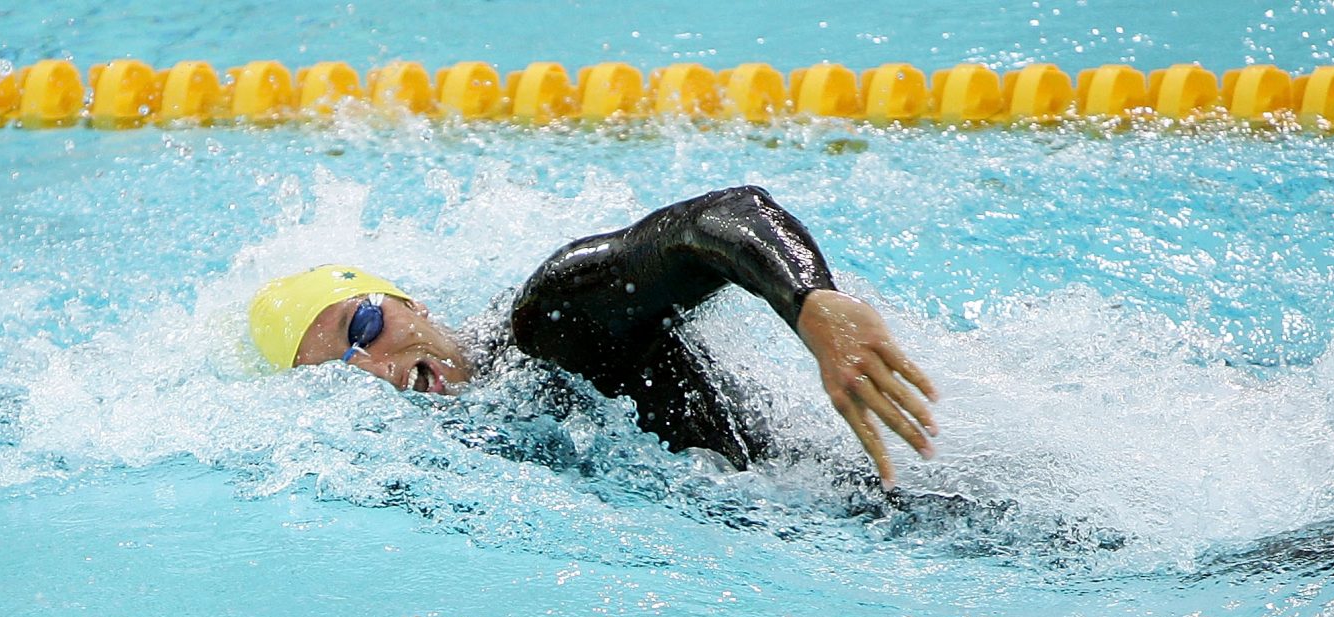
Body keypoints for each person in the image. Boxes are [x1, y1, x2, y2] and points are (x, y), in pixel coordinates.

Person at [248, 186, 940, 489]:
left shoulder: (551, 322)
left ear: (410, 302)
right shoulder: (440, 454)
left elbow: (720, 218)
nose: (372, 366)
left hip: (863, 496)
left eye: (364, 325)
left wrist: (812, 303)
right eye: (340, 371)